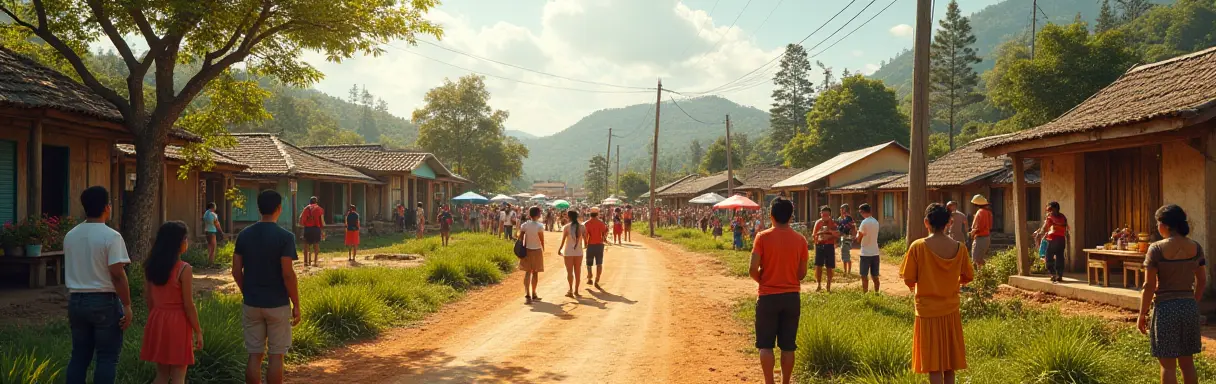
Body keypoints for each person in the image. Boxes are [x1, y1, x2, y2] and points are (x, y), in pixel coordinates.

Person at [900, 203, 975, 384]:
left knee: (934, 365)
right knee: (949, 364)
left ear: (926, 222)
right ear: (949, 222)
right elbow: (968, 276)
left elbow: (909, 279)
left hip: (927, 312)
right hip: (950, 310)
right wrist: (951, 283)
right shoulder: (960, 248)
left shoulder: (918, 247)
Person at [65, 186, 132, 384]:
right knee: (106, 357)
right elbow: (118, 275)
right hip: (103, 302)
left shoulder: (71, 235)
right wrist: (127, 305)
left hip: (76, 301)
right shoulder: (111, 236)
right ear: (107, 207)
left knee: (79, 356)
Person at [233, 190, 301, 384]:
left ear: (258, 208)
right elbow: (287, 273)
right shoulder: (285, 237)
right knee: (276, 356)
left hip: (252, 303)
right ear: (279, 208)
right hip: (277, 303)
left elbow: (236, 270)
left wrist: (247, 291)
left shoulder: (244, 235)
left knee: (255, 355)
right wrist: (296, 303)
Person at [1139, 204, 1206, 384]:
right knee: (1187, 364)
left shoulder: (1156, 249)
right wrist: (1193, 301)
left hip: (1165, 309)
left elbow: (1149, 285)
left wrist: (1142, 313)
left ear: (1166, 225)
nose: (1157, 227)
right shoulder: (1196, 248)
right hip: (1188, 308)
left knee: (1168, 366)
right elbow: (1202, 280)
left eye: (1157, 223)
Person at [748, 198, 808, 384]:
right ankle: (786, 382)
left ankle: (769, 382)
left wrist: (764, 281)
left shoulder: (762, 237)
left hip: (767, 297)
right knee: (788, 346)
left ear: (771, 216)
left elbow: (752, 268)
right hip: (791, 297)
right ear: (791, 217)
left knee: (765, 345)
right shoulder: (800, 240)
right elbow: (802, 273)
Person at [140, 221, 202, 384]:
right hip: (178, 323)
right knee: (178, 376)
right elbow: (189, 305)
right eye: (185, 239)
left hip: (157, 320)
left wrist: (156, 318)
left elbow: (149, 300)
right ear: (178, 243)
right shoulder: (184, 269)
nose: (187, 242)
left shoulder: (150, 267)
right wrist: (198, 330)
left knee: (161, 375)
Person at [1034, 202, 1069, 283]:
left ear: (1055, 208)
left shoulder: (1050, 217)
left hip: (1053, 239)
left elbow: (1045, 227)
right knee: (1060, 257)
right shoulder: (1063, 217)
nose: (1048, 211)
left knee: (1049, 257)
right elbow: (1065, 226)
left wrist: (1039, 233)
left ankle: (1053, 274)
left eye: (1050, 209)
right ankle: (1059, 275)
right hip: (1061, 239)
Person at [519, 206, 546, 304]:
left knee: (527, 273)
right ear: (538, 214)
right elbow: (541, 239)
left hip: (527, 250)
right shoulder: (539, 226)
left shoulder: (525, 225)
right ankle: (534, 293)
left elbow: (520, 238)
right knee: (535, 273)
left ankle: (527, 294)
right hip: (537, 250)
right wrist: (543, 248)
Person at [558, 210, 587, 298]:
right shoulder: (582, 227)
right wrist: (585, 246)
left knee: (569, 272)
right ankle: (576, 291)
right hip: (578, 252)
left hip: (568, 252)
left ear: (569, 217)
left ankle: (570, 290)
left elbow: (563, 240)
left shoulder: (566, 227)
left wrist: (559, 249)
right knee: (577, 272)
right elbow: (586, 240)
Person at [811, 206, 840, 292]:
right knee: (818, 266)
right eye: (823, 214)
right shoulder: (818, 222)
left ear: (829, 215)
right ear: (820, 214)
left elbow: (838, 234)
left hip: (829, 246)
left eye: (826, 215)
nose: (824, 216)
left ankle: (828, 286)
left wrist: (829, 235)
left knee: (829, 267)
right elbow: (813, 235)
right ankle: (819, 284)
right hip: (819, 245)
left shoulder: (833, 223)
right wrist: (820, 234)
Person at [857, 203, 881, 293]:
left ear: (862, 212)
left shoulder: (864, 222)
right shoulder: (876, 222)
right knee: (875, 275)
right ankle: (876, 293)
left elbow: (859, 238)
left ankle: (865, 294)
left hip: (865, 253)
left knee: (864, 275)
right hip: (875, 252)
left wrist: (857, 237)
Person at [584, 208, 609, 288]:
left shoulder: (587, 223)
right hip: (599, 245)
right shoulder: (601, 223)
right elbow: (604, 233)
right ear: (597, 215)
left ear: (590, 215)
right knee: (599, 263)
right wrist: (604, 238)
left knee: (589, 262)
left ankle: (589, 276)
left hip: (590, 244)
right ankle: (597, 279)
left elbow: (586, 236)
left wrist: (585, 244)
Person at [298, 196, 325, 267]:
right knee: (316, 246)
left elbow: (301, 218)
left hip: (308, 229)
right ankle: (315, 262)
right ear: (316, 202)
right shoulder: (319, 209)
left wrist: (302, 226)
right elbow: (322, 221)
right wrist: (322, 229)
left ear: (309, 201)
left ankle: (305, 262)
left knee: (306, 246)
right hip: (316, 229)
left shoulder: (306, 208)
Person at [968, 195, 993, 269]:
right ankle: (985, 273)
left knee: (975, 260)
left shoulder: (980, 212)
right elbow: (990, 226)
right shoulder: (988, 212)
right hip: (986, 237)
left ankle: (978, 276)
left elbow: (979, 227)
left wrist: (972, 232)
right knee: (980, 259)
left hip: (980, 238)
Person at [837, 204, 856, 276]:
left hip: (847, 238)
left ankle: (848, 272)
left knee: (846, 254)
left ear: (844, 210)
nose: (840, 211)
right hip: (844, 238)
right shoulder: (843, 218)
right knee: (844, 254)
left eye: (841, 209)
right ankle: (845, 271)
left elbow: (843, 228)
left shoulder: (848, 218)